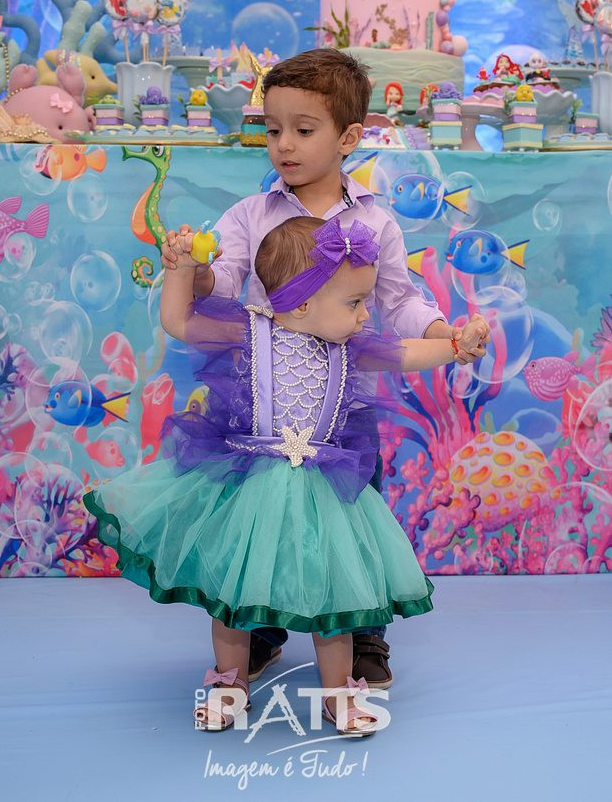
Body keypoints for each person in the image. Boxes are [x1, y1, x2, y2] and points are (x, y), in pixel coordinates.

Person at [160, 48, 490, 691]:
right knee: (261, 523)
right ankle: (261, 625)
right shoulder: (251, 215)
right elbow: (221, 281)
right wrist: (192, 270)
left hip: (341, 409)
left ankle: (362, 631)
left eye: (303, 129)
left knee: (350, 524)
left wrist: (444, 334)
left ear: (348, 137)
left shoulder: (375, 221)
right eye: (272, 129)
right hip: (263, 404)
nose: (283, 144)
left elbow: (400, 301)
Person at [84, 215, 486, 737]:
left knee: (333, 592)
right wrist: (181, 269)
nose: (365, 314)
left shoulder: (351, 347)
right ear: (301, 303)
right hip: (251, 485)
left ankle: (338, 692)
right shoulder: (248, 332)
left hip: (322, 490)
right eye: (354, 302)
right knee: (232, 593)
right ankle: (230, 681)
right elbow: (178, 322)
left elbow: (408, 351)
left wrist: (455, 345)